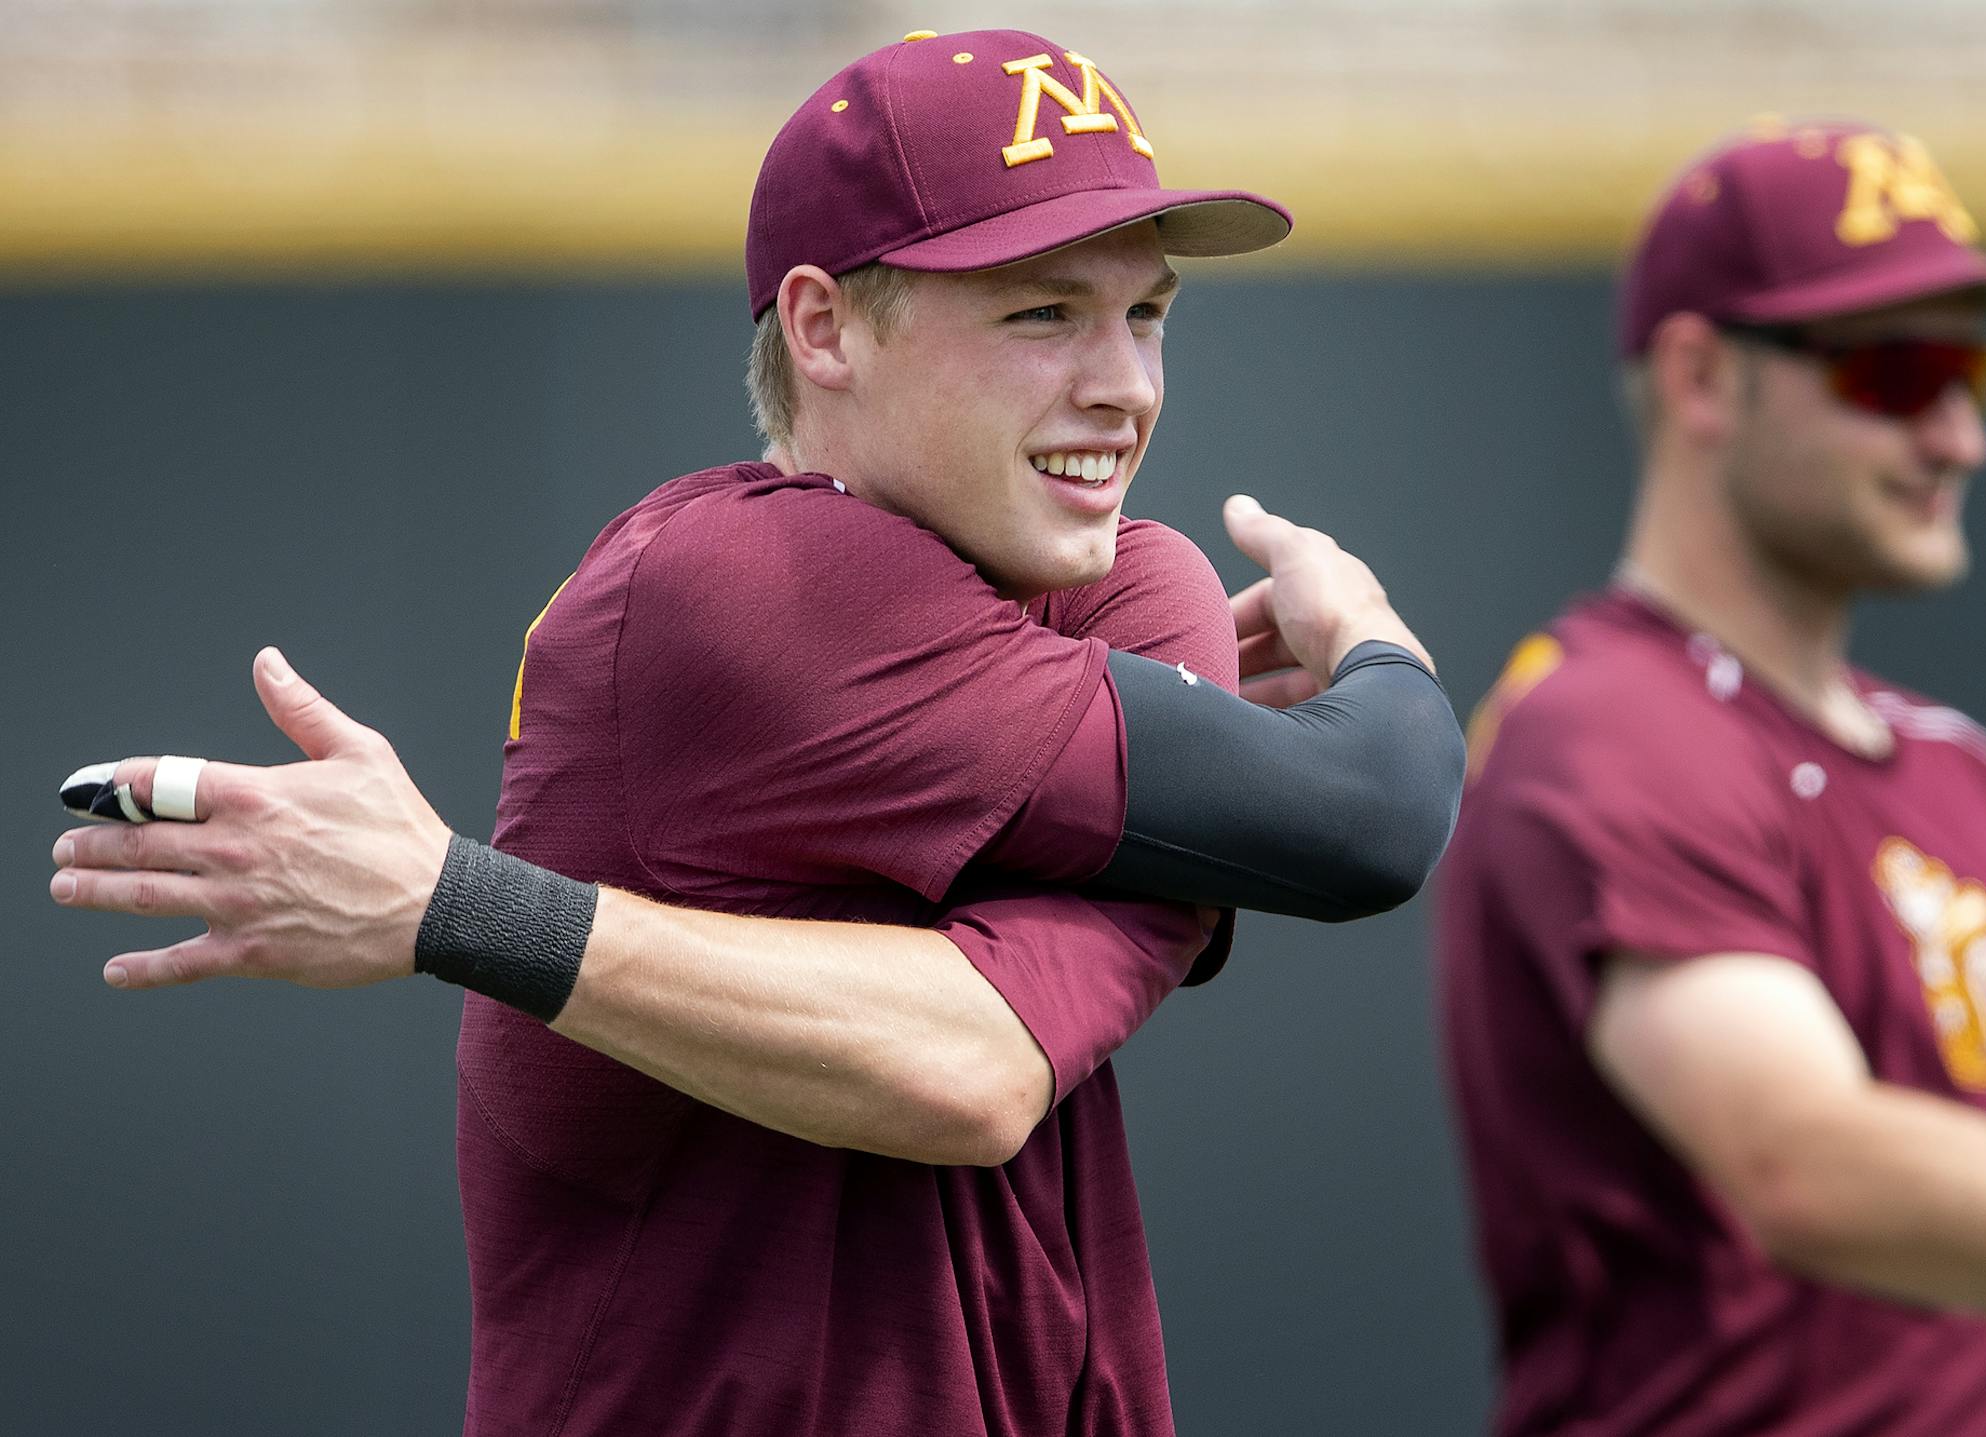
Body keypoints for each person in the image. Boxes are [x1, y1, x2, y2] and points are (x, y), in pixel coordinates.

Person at [50, 30, 1462, 1437]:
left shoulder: (1127, 591)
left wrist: (454, 905)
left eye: (1145, 314)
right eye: (1043, 315)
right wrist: (1372, 634)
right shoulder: (738, 583)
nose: (1125, 384)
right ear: (823, 325)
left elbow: (991, 1049)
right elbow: (1362, 813)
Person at [1436, 117, 1986, 1437]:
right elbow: (1806, 1165)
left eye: (1973, 373)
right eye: (1901, 370)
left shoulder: (1965, 767)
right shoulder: (1609, 723)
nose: (1959, 438)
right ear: (1705, 376)